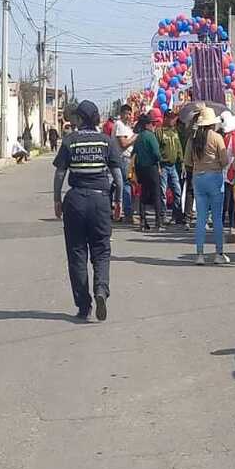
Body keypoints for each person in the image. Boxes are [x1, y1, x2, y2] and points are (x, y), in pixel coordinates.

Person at [52, 100, 124, 321]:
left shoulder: (70, 141)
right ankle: (101, 289)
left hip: (75, 200)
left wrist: (57, 200)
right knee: (101, 251)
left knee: (77, 254)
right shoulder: (106, 142)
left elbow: (59, 174)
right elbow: (118, 177)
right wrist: (118, 201)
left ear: (80, 119)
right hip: (100, 200)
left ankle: (84, 306)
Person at [187, 107, 230, 264]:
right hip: (214, 177)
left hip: (198, 177)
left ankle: (200, 254)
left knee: (201, 218)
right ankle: (219, 253)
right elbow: (225, 160)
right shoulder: (217, 138)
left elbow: (188, 161)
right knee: (217, 218)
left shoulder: (193, 139)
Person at [132, 112, 163, 232]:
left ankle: (143, 222)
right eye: (153, 124)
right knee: (156, 194)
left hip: (141, 168)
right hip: (151, 167)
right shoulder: (150, 136)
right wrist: (159, 160)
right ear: (147, 125)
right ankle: (158, 223)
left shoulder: (139, 137)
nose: (154, 126)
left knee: (143, 194)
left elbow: (134, 152)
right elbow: (156, 153)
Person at [155, 112, 184, 225]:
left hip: (173, 166)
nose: (173, 120)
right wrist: (157, 165)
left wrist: (181, 161)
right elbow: (156, 150)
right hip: (163, 166)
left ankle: (176, 215)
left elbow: (179, 148)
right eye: (171, 118)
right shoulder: (159, 132)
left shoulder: (175, 132)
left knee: (177, 191)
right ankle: (162, 216)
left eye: (174, 118)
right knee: (162, 191)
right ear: (165, 118)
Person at [113, 105, 137, 225]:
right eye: (126, 113)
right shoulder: (119, 125)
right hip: (122, 158)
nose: (128, 116)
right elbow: (123, 143)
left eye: (129, 114)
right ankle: (128, 213)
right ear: (121, 113)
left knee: (124, 185)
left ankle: (122, 211)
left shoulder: (126, 126)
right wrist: (135, 137)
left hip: (128, 158)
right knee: (125, 185)